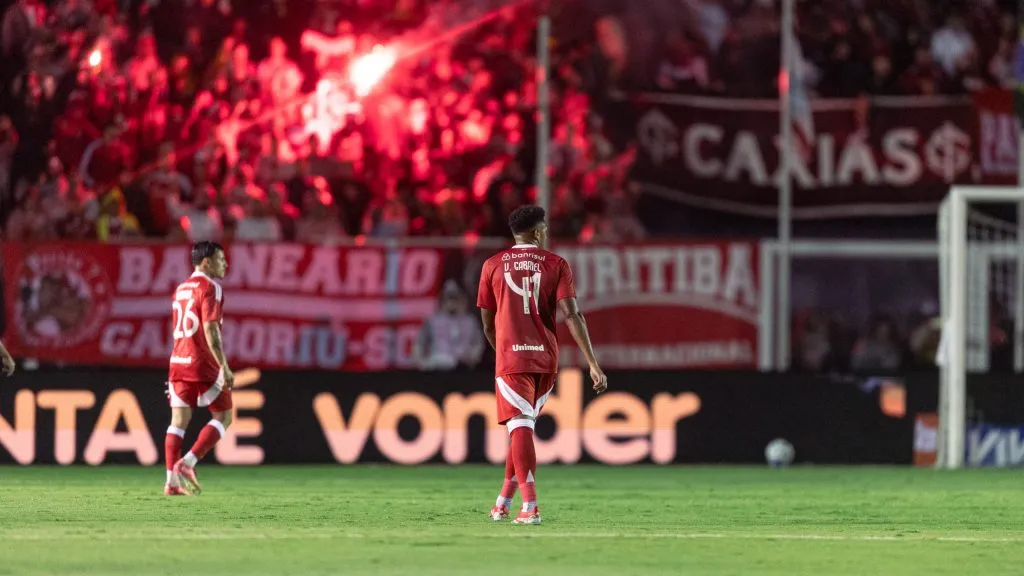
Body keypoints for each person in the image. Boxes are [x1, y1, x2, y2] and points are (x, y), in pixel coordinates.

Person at [476, 205, 608, 525]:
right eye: (545, 228)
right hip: (546, 359)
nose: (547, 232)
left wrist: (503, 353)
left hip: (512, 357)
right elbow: (572, 314)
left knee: (520, 427)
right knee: (521, 427)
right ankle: (503, 501)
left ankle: (530, 507)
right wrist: (593, 363)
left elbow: (488, 323)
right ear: (537, 232)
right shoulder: (556, 264)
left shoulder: (492, 265)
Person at [164, 242, 234, 496]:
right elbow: (210, 329)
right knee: (225, 416)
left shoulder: (180, 289)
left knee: (177, 423)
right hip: (202, 362)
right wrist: (223, 365)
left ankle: (171, 482)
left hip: (177, 362)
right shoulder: (211, 287)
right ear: (206, 262)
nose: (225, 264)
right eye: (220, 259)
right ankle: (189, 462)